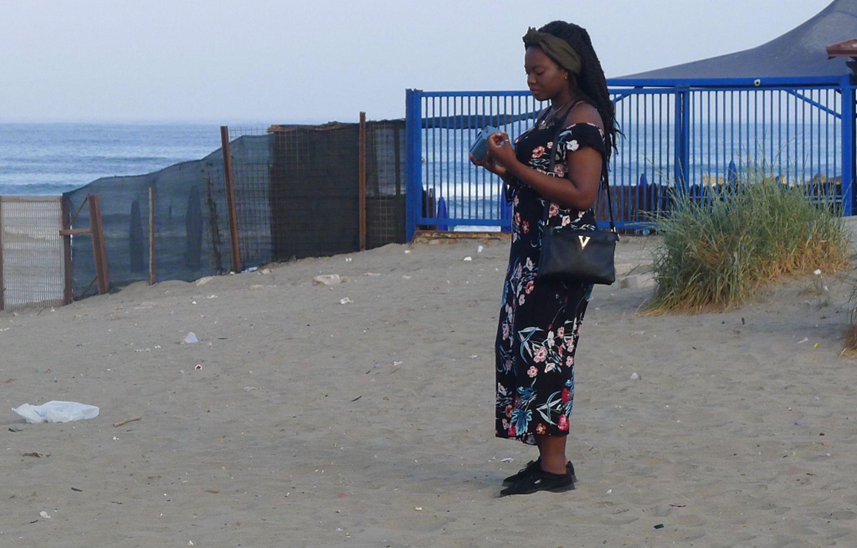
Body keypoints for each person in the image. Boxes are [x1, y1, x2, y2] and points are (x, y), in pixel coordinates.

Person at [470, 21, 619, 496]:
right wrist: (502, 168)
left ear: (566, 68)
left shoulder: (584, 122)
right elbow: (535, 186)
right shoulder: (553, 117)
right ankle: (545, 461)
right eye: (527, 71)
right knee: (522, 351)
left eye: (539, 71)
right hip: (531, 255)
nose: (530, 79)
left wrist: (514, 165)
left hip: (560, 260)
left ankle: (556, 471)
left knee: (548, 355)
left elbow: (582, 194)